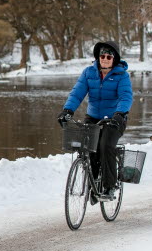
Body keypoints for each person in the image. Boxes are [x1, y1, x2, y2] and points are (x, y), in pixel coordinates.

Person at [57, 41, 133, 201]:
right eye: (102, 56)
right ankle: (94, 183)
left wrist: (120, 114)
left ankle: (109, 185)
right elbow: (77, 93)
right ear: (98, 57)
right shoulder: (88, 73)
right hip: (93, 117)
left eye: (108, 56)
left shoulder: (122, 76)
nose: (104, 59)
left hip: (114, 119)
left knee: (105, 145)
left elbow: (125, 97)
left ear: (114, 59)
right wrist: (67, 110)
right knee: (88, 148)